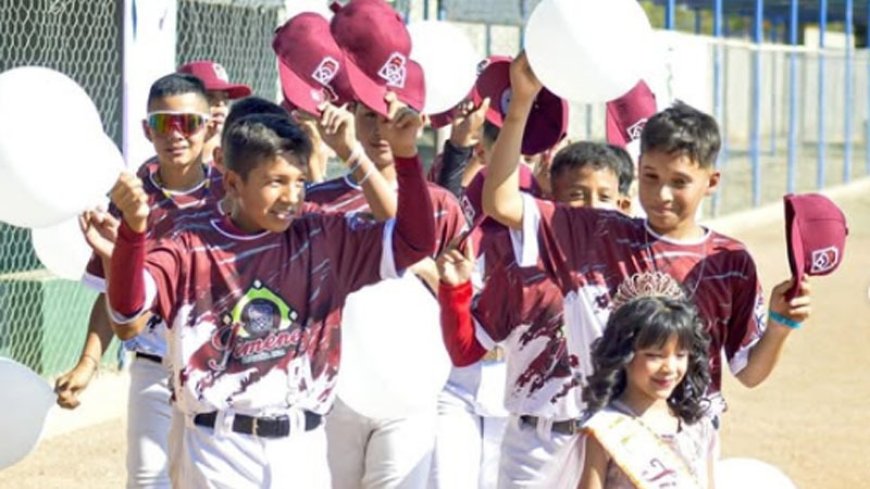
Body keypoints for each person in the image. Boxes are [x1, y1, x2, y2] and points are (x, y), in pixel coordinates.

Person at [476, 53, 810, 484]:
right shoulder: (600, 233)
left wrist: (780, 324)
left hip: (684, 445)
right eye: (650, 177)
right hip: (605, 437)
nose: (662, 194)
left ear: (711, 181)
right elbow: (499, 202)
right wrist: (520, 104)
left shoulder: (730, 262)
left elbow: (749, 370)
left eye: (679, 181)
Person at [105, 94, 435, 488]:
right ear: (232, 181)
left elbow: (415, 243)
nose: (291, 197)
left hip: (304, 447)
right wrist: (133, 232)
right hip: (218, 448)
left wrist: (407, 155)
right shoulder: (190, 240)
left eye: (298, 181)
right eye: (275, 181)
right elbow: (127, 317)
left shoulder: (321, 233)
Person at [56, 72, 223, 489]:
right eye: (165, 123)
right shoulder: (130, 197)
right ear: (148, 130)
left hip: (219, 365)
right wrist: (88, 362)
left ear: (209, 128)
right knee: (148, 478)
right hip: (154, 365)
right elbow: (110, 293)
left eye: (189, 123)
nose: (177, 135)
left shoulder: (231, 194)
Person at [436, 141, 636, 488]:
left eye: (603, 196)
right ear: (549, 203)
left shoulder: (630, 271)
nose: (590, 207)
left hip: (612, 439)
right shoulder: (520, 272)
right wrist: (456, 290)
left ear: (622, 204)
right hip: (536, 446)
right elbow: (465, 349)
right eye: (576, 195)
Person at [578, 272, 716, 489]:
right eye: (654, 355)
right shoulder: (605, 430)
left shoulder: (698, 427)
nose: (669, 368)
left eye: (680, 355)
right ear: (624, 354)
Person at [177, 60, 252, 165]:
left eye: (225, 98)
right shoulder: (158, 167)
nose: (220, 104)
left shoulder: (238, 163)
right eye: (209, 96)